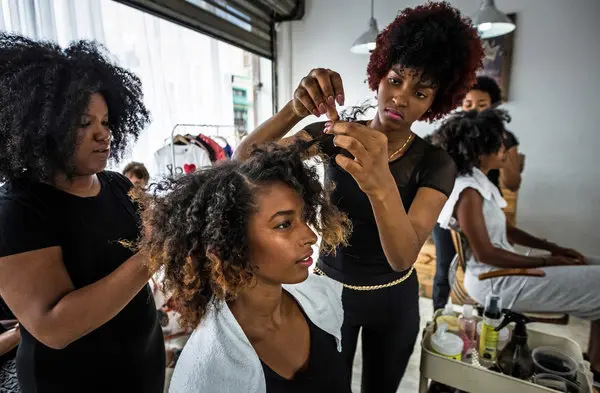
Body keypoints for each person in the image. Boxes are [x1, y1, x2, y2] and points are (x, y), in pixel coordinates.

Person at [235, 3, 484, 391]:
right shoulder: (335, 135)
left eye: (420, 93)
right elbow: (245, 160)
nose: (401, 98)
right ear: (379, 75)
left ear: (434, 104)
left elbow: (402, 255)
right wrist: (295, 109)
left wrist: (380, 182)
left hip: (392, 300)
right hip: (325, 291)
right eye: (396, 80)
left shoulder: (435, 163)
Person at [0, 34, 165, 392]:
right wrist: (154, 254)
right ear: (41, 128)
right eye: (83, 124)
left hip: (141, 373)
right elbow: (54, 327)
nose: (102, 135)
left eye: (106, 123)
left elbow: (165, 225)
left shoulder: (118, 187)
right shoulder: (18, 210)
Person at [137, 143, 352, 393]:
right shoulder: (208, 371)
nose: (310, 236)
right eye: (284, 224)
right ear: (233, 241)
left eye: (303, 218)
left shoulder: (321, 301)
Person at [433, 109, 600, 387]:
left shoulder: (480, 182)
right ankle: (597, 368)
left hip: (497, 271)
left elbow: (507, 230)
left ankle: (594, 363)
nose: (504, 149)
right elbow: (486, 253)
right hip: (492, 282)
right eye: (497, 143)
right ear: (478, 149)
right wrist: (550, 261)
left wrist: (553, 248)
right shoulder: (469, 192)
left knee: (592, 262)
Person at [432, 75, 523, 311]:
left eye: (481, 105)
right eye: (467, 104)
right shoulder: (451, 133)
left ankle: (485, 313)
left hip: (483, 211)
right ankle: (438, 313)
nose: (474, 111)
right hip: (451, 210)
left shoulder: (503, 139)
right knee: (444, 266)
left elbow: (512, 183)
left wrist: (503, 144)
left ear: (493, 106)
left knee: (485, 266)